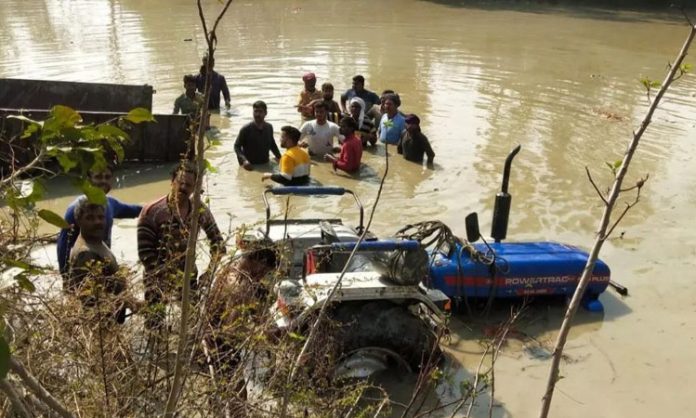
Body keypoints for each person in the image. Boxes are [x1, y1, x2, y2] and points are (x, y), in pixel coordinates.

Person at [137, 162, 225, 329]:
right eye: (180, 182)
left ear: (195, 188)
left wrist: (209, 272)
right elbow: (145, 254)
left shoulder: (200, 211)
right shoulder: (152, 212)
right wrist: (165, 278)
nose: (183, 188)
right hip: (156, 277)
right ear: (172, 182)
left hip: (188, 276)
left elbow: (218, 244)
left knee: (191, 324)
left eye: (189, 185)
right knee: (154, 325)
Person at [57, 166, 142, 277]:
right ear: (89, 180)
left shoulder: (110, 203)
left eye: (107, 177)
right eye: (98, 177)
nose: (103, 181)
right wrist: (65, 278)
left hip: (104, 259)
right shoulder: (76, 209)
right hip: (85, 263)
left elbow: (134, 210)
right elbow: (63, 247)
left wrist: (161, 206)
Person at [67, 197, 138, 324]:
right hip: (102, 326)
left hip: (113, 319)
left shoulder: (96, 240)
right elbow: (94, 302)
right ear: (78, 221)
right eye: (90, 218)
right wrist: (131, 302)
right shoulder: (85, 253)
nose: (97, 222)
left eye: (101, 217)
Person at [234, 101, 282, 170]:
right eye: (255, 111)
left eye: (260, 112)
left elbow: (272, 144)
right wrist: (244, 160)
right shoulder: (246, 129)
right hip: (250, 166)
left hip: (265, 163)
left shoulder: (269, 127)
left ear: (265, 113)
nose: (257, 114)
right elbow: (237, 146)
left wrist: (280, 157)